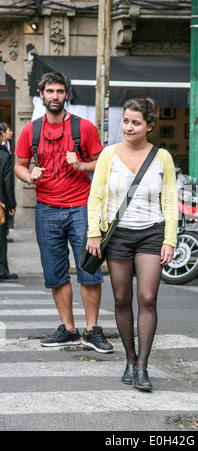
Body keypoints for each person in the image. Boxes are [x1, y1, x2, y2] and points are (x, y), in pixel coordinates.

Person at [14, 71, 113, 353]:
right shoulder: (30, 130)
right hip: (45, 210)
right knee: (56, 274)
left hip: (81, 208)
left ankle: (93, 330)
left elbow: (103, 162)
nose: (55, 96)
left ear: (66, 95)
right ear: (41, 95)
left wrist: (81, 165)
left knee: (89, 271)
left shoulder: (84, 128)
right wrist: (28, 175)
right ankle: (69, 330)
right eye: (50, 91)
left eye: (59, 91)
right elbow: (20, 164)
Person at [86, 98, 178, 391]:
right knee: (122, 298)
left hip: (152, 233)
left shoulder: (162, 157)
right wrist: (93, 233)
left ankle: (142, 367)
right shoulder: (108, 155)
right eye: (125, 121)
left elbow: (170, 202)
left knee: (147, 298)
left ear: (149, 126)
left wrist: (170, 239)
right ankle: (129, 358)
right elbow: (96, 196)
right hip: (118, 235)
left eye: (136, 122)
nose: (128, 127)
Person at [0, 123, 17, 281]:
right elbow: (8, 183)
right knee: (1, 238)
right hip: (1, 205)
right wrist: (12, 205)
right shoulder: (4, 156)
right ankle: (2, 270)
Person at [1, 123, 14, 242]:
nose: (11, 133)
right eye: (9, 130)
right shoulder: (3, 152)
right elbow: (7, 180)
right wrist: (12, 203)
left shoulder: (9, 146)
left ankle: (6, 233)